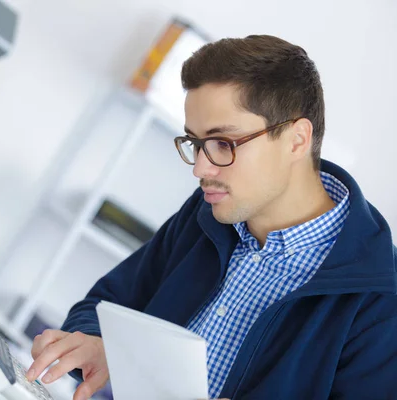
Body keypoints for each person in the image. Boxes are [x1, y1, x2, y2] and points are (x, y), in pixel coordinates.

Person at [26, 35, 397, 400]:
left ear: (296, 140)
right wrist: (99, 345)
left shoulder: (380, 298)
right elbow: (107, 303)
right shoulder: (206, 214)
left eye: (224, 143)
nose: (201, 168)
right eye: (196, 143)